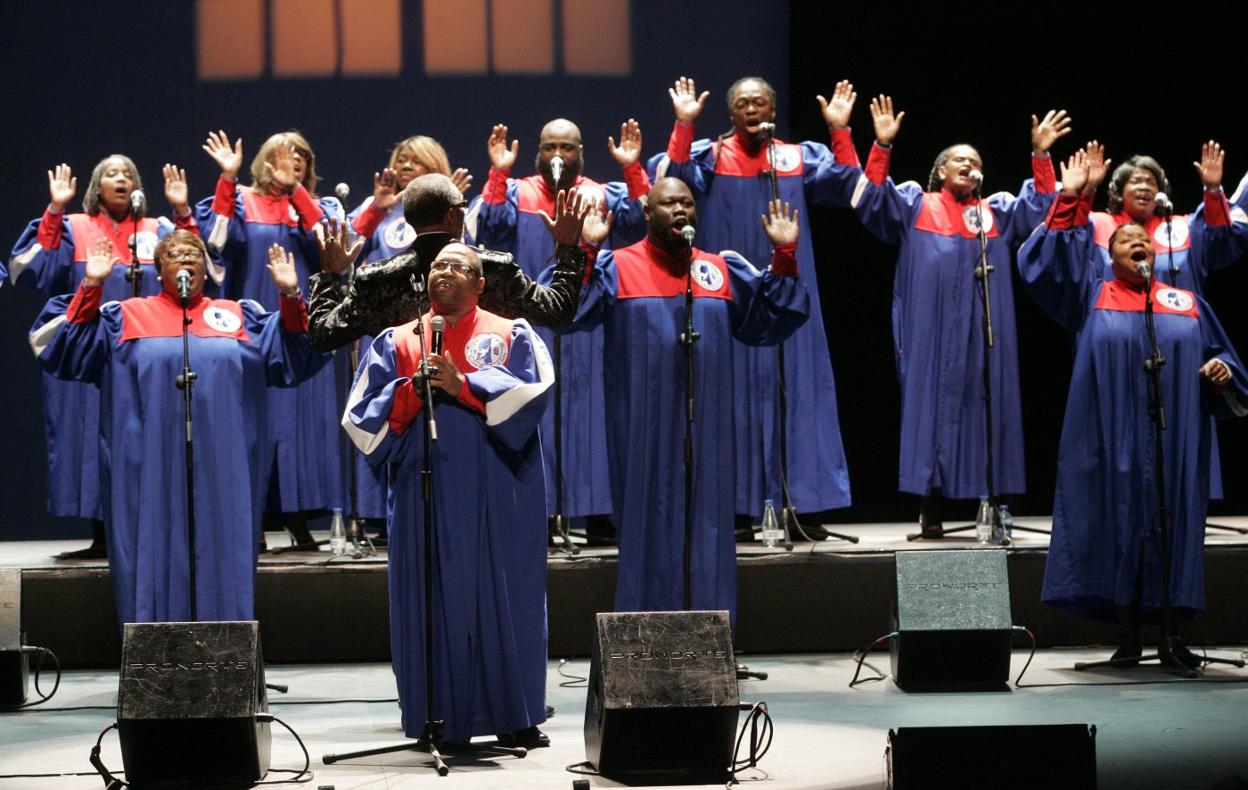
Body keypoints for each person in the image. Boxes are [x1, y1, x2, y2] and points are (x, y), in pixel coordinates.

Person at [1018, 150, 1248, 666]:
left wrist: (1222, 372)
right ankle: (1126, 638)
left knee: (1173, 522)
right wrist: (1073, 195)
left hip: (1175, 437)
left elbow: (1222, 355)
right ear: (1109, 254)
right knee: (1116, 522)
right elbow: (1045, 262)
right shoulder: (1091, 294)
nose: (1138, 244)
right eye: (1126, 241)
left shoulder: (1182, 302)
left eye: (1143, 240)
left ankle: (1174, 634)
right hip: (1109, 432)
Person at [30, 230, 323, 625]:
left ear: (206, 268)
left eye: (195, 254)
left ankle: (225, 658)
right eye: (175, 254)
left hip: (223, 465)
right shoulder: (126, 316)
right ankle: (154, 661)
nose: (187, 259)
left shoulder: (238, 315)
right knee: (150, 547)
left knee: (223, 547)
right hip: (148, 464)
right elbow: (60, 345)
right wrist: (91, 285)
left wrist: (290, 297)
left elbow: (293, 354)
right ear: (158, 269)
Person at [821, 88, 1070, 532]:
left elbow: (1041, 212)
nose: (970, 168)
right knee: (930, 408)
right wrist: (881, 145)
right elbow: (869, 201)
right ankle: (929, 505)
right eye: (960, 161)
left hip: (986, 325)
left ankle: (990, 503)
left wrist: (1040, 156)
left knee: (989, 400)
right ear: (939, 171)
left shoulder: (995, 212)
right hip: (930, 327)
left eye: (976, 163)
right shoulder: (916, 203)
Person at [563, 177, 808, 621]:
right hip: (641, 425)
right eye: (668, 204)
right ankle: (643, 642)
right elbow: (569, 311)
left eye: (687, 203)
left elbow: (770, 318)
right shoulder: (617, 266)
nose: (680, 211)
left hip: (707, 425)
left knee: (708, 528)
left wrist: (784, 256)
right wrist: (586, 248)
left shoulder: (719, 268)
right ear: (646, 213)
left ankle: (710, 642)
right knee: (647, 522)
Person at [342, 239, 555, 746]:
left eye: (459, 266)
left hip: (499, 489)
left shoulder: (511, 334)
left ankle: (514, 716)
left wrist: (465, 386)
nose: (446, 272)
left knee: (505, 596)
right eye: (438, 265)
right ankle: (434, 718)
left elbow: (533, 394)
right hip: (425, 489)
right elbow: (360, 418)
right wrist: (410, 391)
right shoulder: (397, 342)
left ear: (480, 284)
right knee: (427, 599)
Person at [648, 76, 853, 536]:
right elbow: (672, 185)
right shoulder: (713, 155)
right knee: (733, 393)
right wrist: (683, 125)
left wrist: (840, 132)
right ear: (731, 114)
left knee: (799, 387)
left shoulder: (797, 157)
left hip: (792, 288)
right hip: (733, 294)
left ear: (772, 110)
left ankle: (803, 506)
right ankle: (739, 509)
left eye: (759, 102)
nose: (751, 110)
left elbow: (844, 187)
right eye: (742, 104)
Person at [1029, 141, 1248, 502]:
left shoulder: (1182, 228)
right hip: (1114, 350)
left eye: (1151, 181)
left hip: (1177, 355)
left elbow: (1226, 242)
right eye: (1135, 181)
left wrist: (1212, 190)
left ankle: (1178, 506)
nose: (1145, 186)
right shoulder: (1098, 224)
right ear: (1118, 192)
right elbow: (1061, 251)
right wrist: (1085, 191)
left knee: (1175, 435)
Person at [10, 157, 198, 559]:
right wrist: (55, 209)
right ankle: (102, 535)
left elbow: (196, 267)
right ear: (96, 186)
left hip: (146, 352)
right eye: (112, 173)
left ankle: (150, 534)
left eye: (129, 173)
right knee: (90, 437)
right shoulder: (74, 227)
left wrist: (182, 212)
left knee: (144, 435)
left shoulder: (156, 230)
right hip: (90, 352)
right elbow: (28, 271)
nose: (121, 179)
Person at [470, 118, 648, 536]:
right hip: (530, 323)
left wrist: (633, 169)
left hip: (587, 325)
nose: (557, 155)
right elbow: (491, 231)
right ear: (537, 152)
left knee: (590, 416)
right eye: (549, 146)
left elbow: (642, 224)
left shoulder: (601, 194)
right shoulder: (519, 192)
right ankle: (545, 512)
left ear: (581, 152)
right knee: (540, 416)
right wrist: (498, 171)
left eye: (567, 148)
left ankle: (598, 512)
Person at [196, 130, 344, 546]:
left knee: (300, 426)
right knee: (251, 421)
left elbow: (331, 251)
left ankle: (298, 518)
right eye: (284, 154)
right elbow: (217, 246)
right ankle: (252, 519)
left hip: (300, 324)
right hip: (249, 325)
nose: (293, 160)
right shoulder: (240, 200)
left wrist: (296, 192)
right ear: (263, 160)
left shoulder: (319, 207)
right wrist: (227, 180)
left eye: (302, 155)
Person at [323, 136, 473, 537]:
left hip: (434, 332)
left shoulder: (451, 220)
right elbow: (345, 245)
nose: (405, 165)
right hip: (387, 333)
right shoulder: (383, 214)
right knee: (388, 412)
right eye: (400, 159)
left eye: (415, 161)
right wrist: (377, 205)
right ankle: (375, 513)